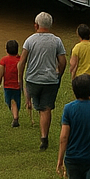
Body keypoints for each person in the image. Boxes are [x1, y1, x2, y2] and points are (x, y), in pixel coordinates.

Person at [18, 13, 67, 149]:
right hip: (50, 80)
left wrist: (20, 78)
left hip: (33, 80)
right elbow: (63, 61)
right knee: (46, 109)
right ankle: (44, 137)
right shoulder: (57, 41)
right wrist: (59, 74)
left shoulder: (29, 40)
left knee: (38, 105)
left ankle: (30, 103)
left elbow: (22, 62)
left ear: (36, 25)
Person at [0, 39, 23, 128]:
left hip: (8, 86)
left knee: (11, 101)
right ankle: (15, 116)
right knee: (16, 101)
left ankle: (15, 118)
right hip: (18, 86)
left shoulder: (4, 60)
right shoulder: (20, 60)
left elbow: (0, 75)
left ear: (6, 49)